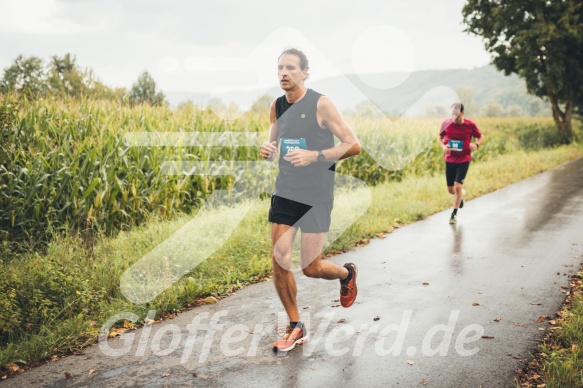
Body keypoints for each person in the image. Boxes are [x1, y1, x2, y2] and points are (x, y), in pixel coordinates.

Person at [260, 48, 361, 352]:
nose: (283, 73)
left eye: (290, 68)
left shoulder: (321, 104)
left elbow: (353, 145)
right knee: (279, 258)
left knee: (311, 267)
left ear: (305, 72)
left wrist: (315, 155)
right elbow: (273, 140)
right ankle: (296, 325)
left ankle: (347, 273)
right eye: (280, 68)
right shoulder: (277, 106)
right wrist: (267, 150)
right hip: (286, 192)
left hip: (317, 195)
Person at [438, 103, 484, 224]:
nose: (454, 116)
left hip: (464, 159)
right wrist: (443, 147)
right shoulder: (446, 123)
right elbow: (440, 137)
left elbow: (480, 137)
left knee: (458, 187)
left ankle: (454, 214)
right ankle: (461, 196)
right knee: (451, 190)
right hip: (449, 159)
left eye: (456, 114)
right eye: (452, 114)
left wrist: (476, 145)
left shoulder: (470, 125)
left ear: (462, 113)